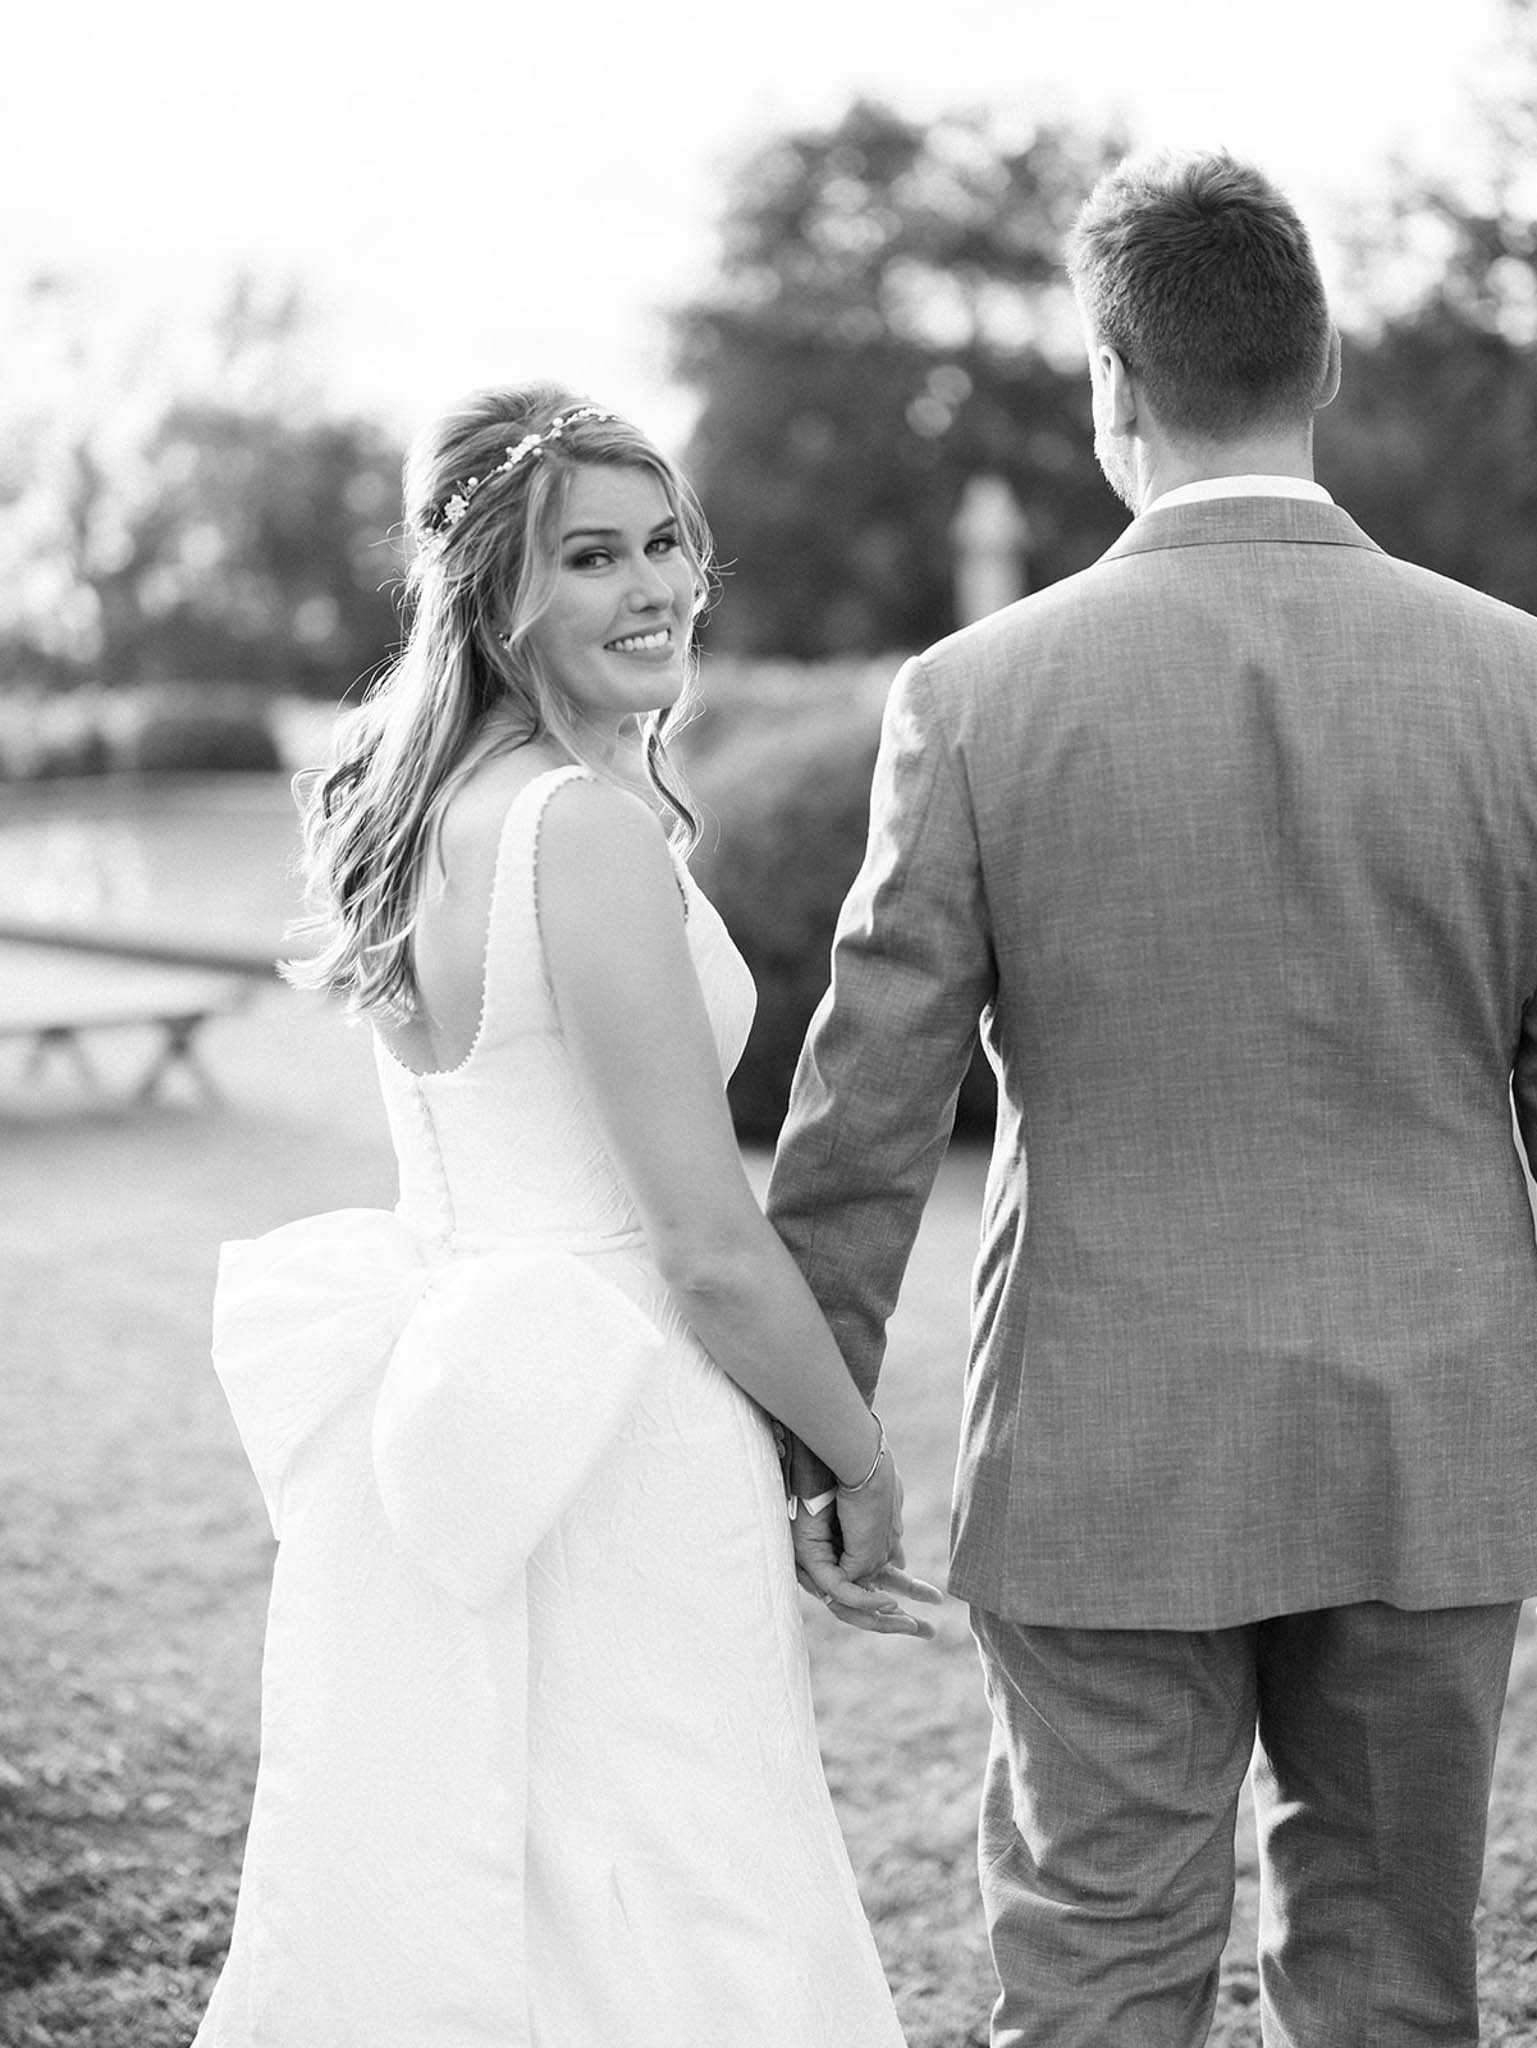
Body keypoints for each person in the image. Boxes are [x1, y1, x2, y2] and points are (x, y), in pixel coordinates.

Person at [767, 150, 1537, 2046]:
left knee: (1096, 1968)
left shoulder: (974, 693)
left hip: (1103, 1440)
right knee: (1391, 1978)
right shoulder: (1517, 681)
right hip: (1433, 1434)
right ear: (1324, 358)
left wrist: (811, 1428)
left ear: (1109, 381)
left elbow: (869, 1103)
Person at [193, 384, 938, 2048]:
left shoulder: (399, 810)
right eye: (590, 556)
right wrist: (856, 1460)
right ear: (493, 592)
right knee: (687, 1873)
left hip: (458, 1400)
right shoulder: (577, 832)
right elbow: (705, 1248)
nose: (654, 586)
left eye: (665, 542)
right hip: (621, 1426)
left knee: (510, 1870)